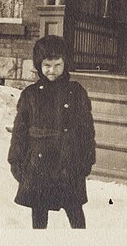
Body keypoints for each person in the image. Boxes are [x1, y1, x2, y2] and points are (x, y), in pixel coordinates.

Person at [8, 35, 96, 229]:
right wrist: (16, 161)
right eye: (47, 65)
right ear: (39, 65)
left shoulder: (76, 92)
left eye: (57, 65)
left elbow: (86, 130)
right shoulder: (30, 94)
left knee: (75, 213)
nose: (52, 70)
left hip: (68, 163)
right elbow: (20, 131)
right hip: (39, 165)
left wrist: (86, 161)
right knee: (39, 215)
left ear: (66, 63)